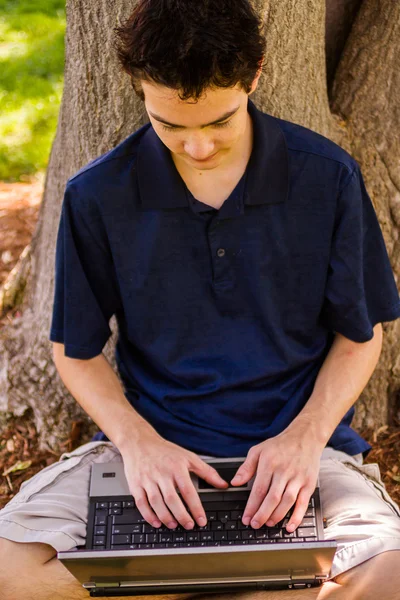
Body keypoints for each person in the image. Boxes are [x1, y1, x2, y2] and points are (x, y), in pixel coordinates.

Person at [1, 0, 400, 598]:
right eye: (170, 126)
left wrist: (305, 436)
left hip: (302, 457)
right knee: (11, 572)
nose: (198, 149)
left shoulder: (328, 177)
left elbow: (362, 336)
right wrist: (138, 445)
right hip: (150, 456)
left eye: (220, 122)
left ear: (256, 75)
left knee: (388, 577)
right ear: (140, 90)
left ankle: (200, 579)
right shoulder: (98, 195)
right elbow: (75, 352)